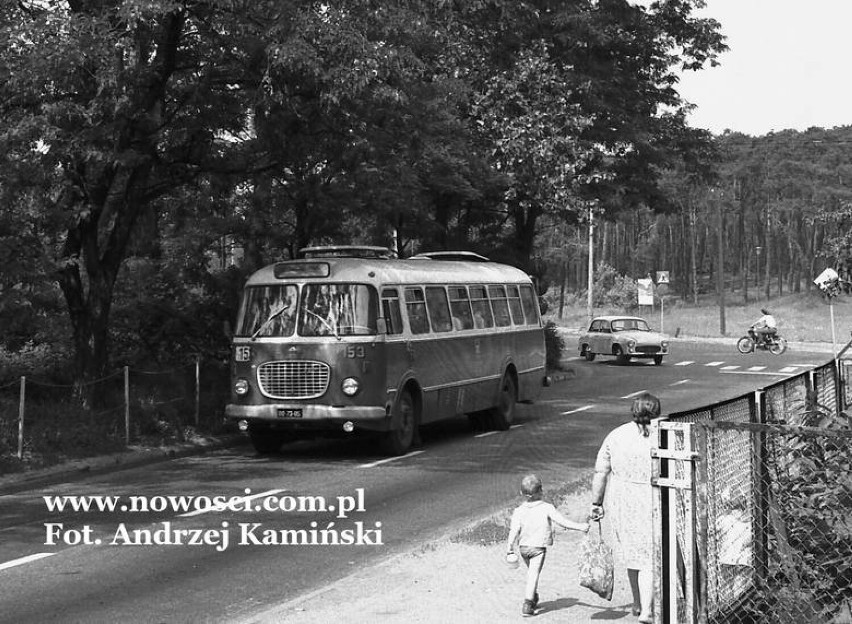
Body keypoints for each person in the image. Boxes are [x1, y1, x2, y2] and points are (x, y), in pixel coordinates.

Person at [589, 392, 664, 624]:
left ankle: (638, 602)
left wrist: (596, 503)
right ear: (657, 411)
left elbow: (601, 472)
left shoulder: (616, 435)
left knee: (633, 554)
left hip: (622, 498)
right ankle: (647, 611)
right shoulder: (663, 434)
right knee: (650, 556)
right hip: (653, 496)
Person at [506, 474, 589, 617]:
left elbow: (513, 531)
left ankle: (533, 596)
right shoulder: (547, 507)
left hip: (523, 548)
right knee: (533, 574)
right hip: (538, 548)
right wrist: (580, 527)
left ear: (521, 493)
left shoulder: (518, 511)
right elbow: (563, 522)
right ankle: (527, 604)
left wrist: (509, 548)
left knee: (531, 573)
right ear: (541, 491)